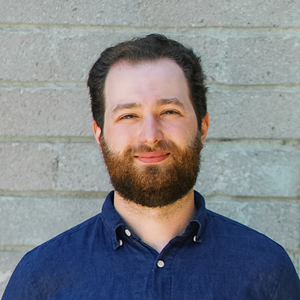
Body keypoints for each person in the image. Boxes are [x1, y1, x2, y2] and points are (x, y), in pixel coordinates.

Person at [3, 34, 300, 299]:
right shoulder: (41, 279)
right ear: (99, 134)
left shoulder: (266, 271)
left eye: (169, 111)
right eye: (128, 115)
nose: (150, 135)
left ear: (203, 127)